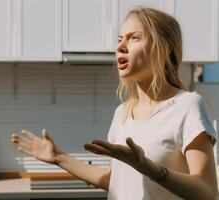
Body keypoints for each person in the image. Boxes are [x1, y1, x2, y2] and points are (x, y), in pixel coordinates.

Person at [11, 7, 218, 200]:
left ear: (164, 49)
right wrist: (58, 157)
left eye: (134, 38)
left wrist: (148, 167)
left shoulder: (188, 106)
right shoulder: (123, 112)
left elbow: (207, 191)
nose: (120, 46)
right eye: (120, 39)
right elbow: (114, 180)